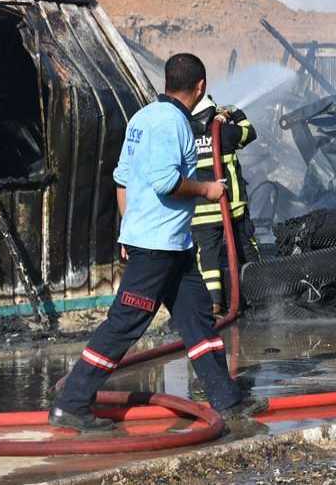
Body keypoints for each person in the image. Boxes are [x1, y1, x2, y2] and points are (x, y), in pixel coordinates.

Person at [50, 53, 253, 431]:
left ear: (167, 82)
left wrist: (128, 230)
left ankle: (227, 399)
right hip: (158, 250)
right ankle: (72, 402)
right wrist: (208, 189)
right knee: (125, 324)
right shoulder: (173, 123)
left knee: (198, 320)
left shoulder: (142, 118)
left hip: (175, 247)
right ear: (201, 87)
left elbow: (122, 179)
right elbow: (165, 182)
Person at [190, 95, 260, 314]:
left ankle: (214, 303)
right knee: (245, 248)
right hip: (231, 208)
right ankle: (259, 292)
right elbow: (249, 132)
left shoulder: (184, 136)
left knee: (207, 256)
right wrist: (235, 112)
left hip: (200, 210)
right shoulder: (225, 132)